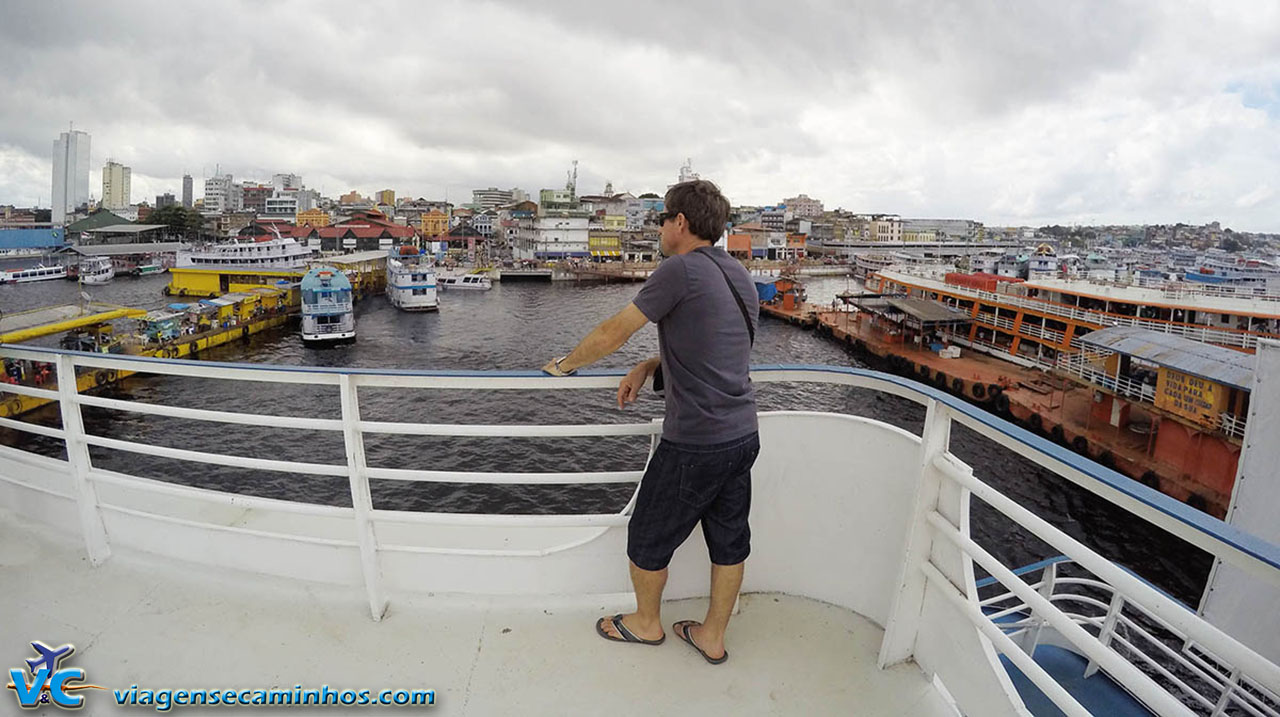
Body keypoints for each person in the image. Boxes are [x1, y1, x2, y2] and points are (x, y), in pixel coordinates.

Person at [542, 179, 759, 665]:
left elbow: (613, 331)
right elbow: (719, 350)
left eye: (663, 218)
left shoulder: (678, 270)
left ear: (680, 223)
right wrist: (649, 367)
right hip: (742, 434)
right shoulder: (738, 275)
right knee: (729, 540)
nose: (660, 227)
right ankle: (712, 637)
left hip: (696, 442)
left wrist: (565, 364)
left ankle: (646, 624)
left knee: (646, 537)